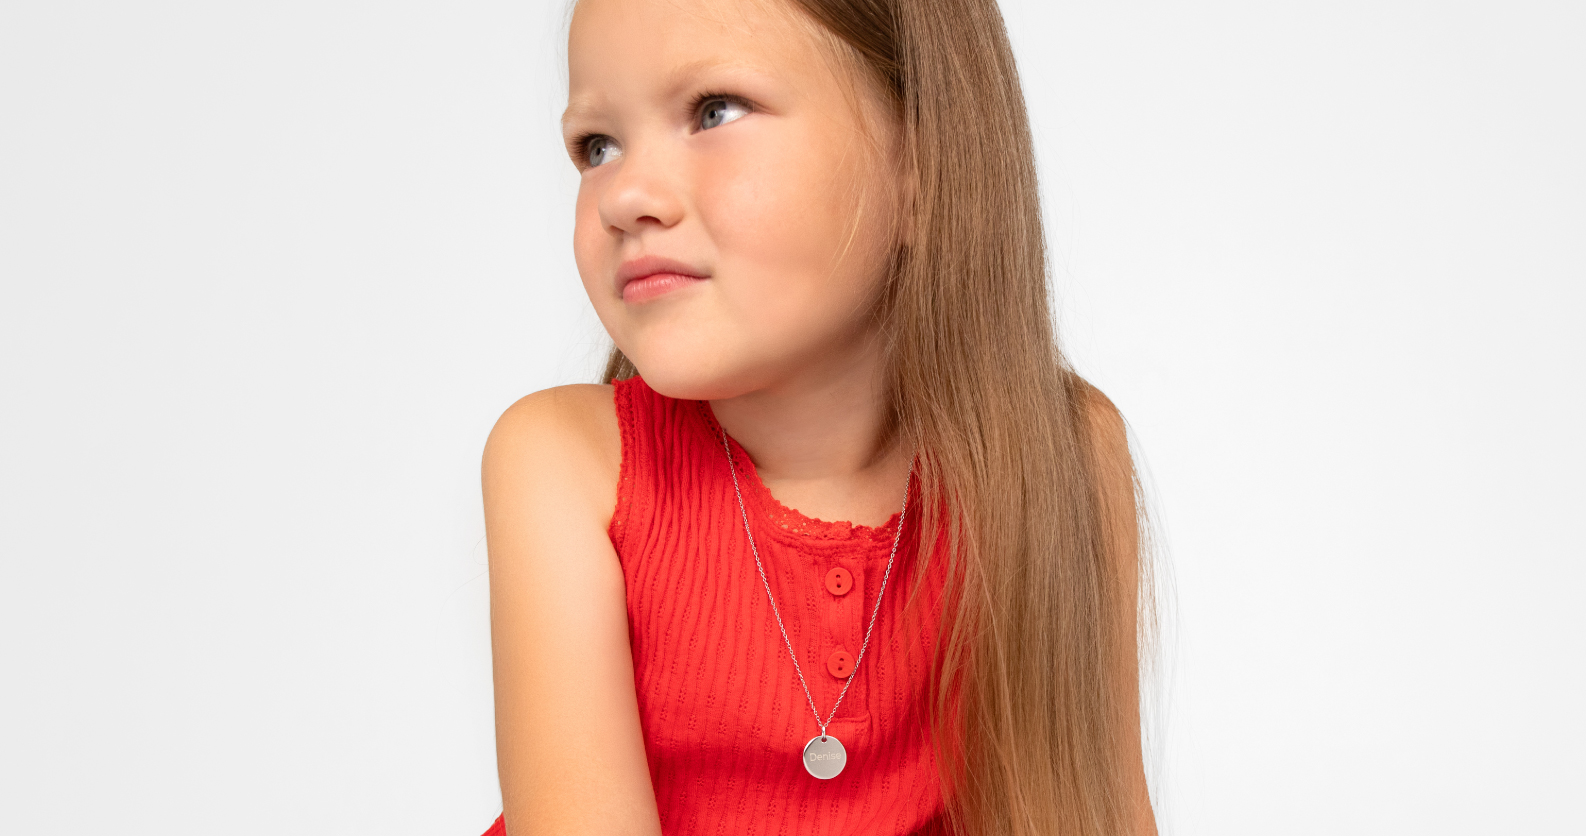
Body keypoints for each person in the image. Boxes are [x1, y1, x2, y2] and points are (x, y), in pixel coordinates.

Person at [479, 0, 1157, 833]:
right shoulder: (567, 465)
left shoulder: (1063, 458)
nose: (625, 196)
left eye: (714, 111)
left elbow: (1093, 812)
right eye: (597, 146)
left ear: (923, 168)